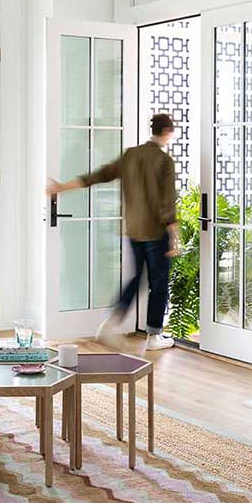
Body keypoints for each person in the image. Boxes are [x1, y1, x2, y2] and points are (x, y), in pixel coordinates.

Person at [46, 113, 181, 351]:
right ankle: (153, 336)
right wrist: (174, 235)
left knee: (136, 278)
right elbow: (167, 202)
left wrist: (62, 187)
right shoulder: (163, 161)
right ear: (168, 131)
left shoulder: (131, 155)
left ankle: (110, 322)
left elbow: (99, 175)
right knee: (158, 283)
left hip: (132, 230)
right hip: (155, 231)